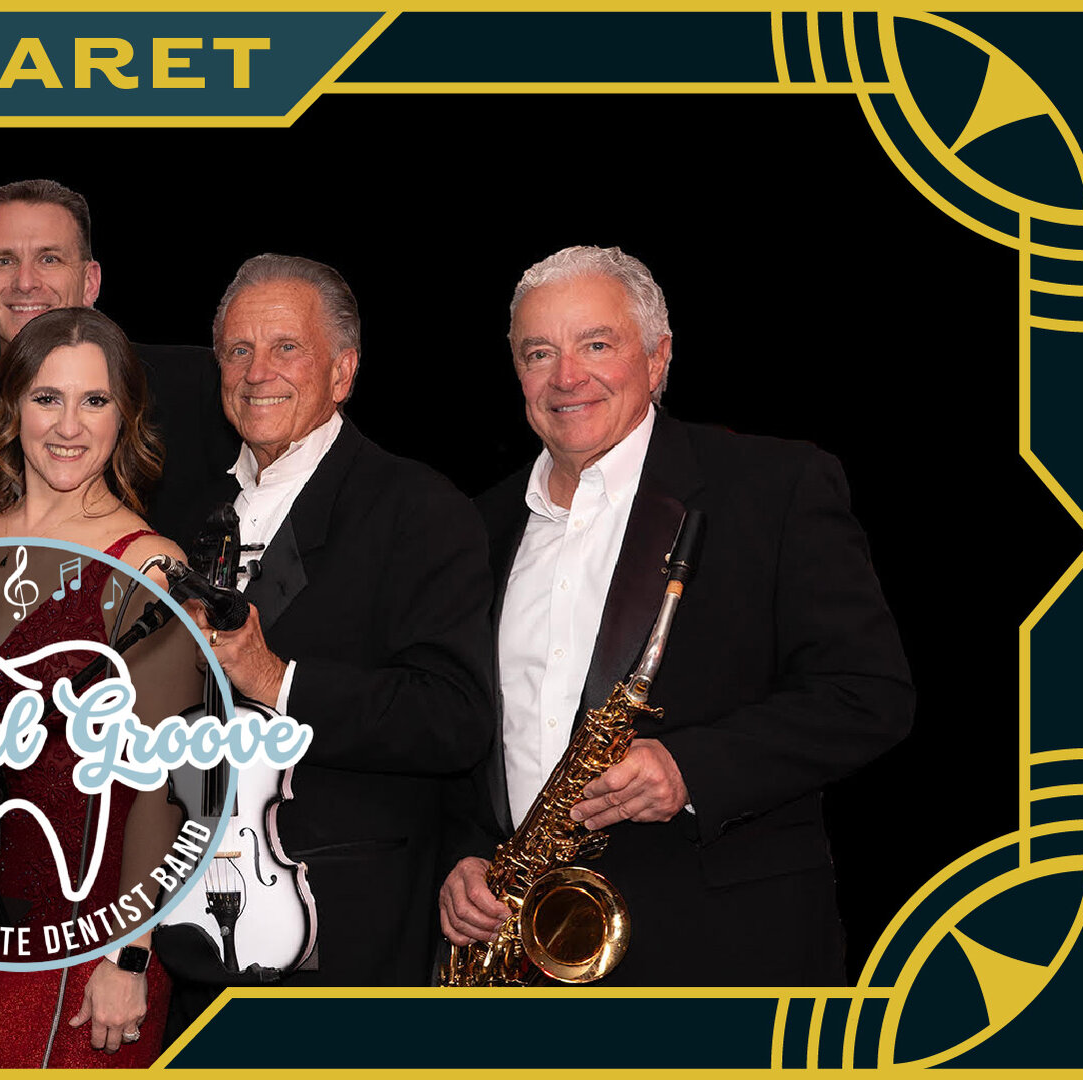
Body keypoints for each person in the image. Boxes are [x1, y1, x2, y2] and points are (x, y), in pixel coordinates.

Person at [436, 245, 913, 985]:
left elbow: (868, 695)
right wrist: (462, 856)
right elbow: (455, 728)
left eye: (597, 345)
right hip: (525, 955)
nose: (566, 377)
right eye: (539, 352)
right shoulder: (476, 525)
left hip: (723, 950)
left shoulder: (773, 486)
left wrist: (691, 768)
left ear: (658, 359)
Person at [164, 255, 495, 1035]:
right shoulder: (185, 515)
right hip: (193, 941)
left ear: (342, 371)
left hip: (344, 933)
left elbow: (453, 718)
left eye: (286, 348)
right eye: (237, 351)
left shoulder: (417, 507)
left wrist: (277, 679)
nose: (256, 373)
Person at [0, 307, 195, 1068]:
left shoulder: (149, 566)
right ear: (12, 405)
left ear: (124, 417)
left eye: (94, 400)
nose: (68, 425)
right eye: (47, 397)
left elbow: (163, 783)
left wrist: (128, 954)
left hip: (88, 945)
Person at [0, 180, 238, 540]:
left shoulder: (197, 386)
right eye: (4, 261)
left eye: (49, 259)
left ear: (90, 282)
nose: (25, 282)